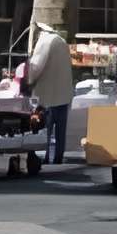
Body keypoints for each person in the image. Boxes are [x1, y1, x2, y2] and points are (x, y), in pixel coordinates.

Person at [26, 18, 75, 166]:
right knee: (60, 130)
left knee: (45, 129)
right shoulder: (61, 41)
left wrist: (28, 80)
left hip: (48, 95)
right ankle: (58, 156)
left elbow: (36, 66)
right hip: (63, 94)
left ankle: (46, 156)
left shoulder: (45, 42)